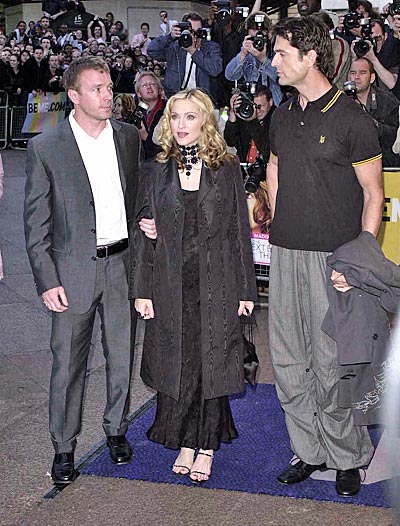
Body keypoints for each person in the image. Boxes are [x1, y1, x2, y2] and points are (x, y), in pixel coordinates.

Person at [24, 56, 156, 485]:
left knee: (121, 356)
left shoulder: (127, 137)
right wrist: (47, 280)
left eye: (109, 87)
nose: (107, 96)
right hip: (71, 272)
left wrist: (146, 222)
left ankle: (116, 429)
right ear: (74, 96)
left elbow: (137, 196)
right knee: (68, 365)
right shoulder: (47, 147)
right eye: (97, 89)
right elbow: (36, 224)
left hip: (121, 265)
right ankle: (63, 446)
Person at [266, 17, 383, 497]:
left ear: (310, 57)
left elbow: (374, 195)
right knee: (289, 361)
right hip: (284, 253)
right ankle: (309, 450)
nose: (274, 62)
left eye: (281, 53)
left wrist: (357, 262)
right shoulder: (280, 116)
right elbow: (273, 168)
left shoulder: (353, 119)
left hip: (334, 261)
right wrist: (280, 218)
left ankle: (347, 455)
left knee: (333, 363)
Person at [130, 88, 257, 483]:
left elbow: (239, 231)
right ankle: (186, 439)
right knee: (179, 363)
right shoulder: (156, 169)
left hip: (217, 282)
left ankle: (206, 446)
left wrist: (246, 291)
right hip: (171, 282)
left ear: (205, 121)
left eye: (189, 117)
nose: (181, 125)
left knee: (211, 365)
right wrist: (142, 290)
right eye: (175, 117)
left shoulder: (227, 167)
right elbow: (143, 233)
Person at [147, 12, 223, 100]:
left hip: (201, 99)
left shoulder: (211, 47)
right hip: (177, 97)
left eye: (198, 32)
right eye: (191, 32)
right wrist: (170, 37)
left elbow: (215, 69)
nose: (195, 36)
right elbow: (152, 50)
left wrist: (193, 51)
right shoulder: (175, 47)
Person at [348, 57, 400, 167]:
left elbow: (395, 137)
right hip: (350, 165)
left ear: (372, 78)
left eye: (362, 73)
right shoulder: (342, 102)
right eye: (353, 73)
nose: (356, 77)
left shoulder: (387, 101)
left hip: (383, 165)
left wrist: (375, 125)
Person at [224, 12, 283, 107]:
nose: (257, 42)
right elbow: (230, 75)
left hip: (275, 106)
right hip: (251, 106)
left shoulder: (278, 52)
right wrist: (242, 54)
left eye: (261, 38)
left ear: (270, 34)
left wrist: (264, 60)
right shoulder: (247, 54)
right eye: (253, 38)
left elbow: (281, 78)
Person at [224, 84, 275, 162]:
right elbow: (230, 141)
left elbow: (267, 150)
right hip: (245, 166)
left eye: (260, 106)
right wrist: (232, 113)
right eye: (253, 106)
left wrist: (252, 121)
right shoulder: (246, 114)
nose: (257, 110)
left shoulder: (277, 119)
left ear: (270, 102)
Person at [134, 71, 166, 159]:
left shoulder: (168, 110)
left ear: (159, 90)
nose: (149, 87)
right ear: (139, 93)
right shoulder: (137, 112)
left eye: (152, 84)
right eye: (144, 85)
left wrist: (145, 136)